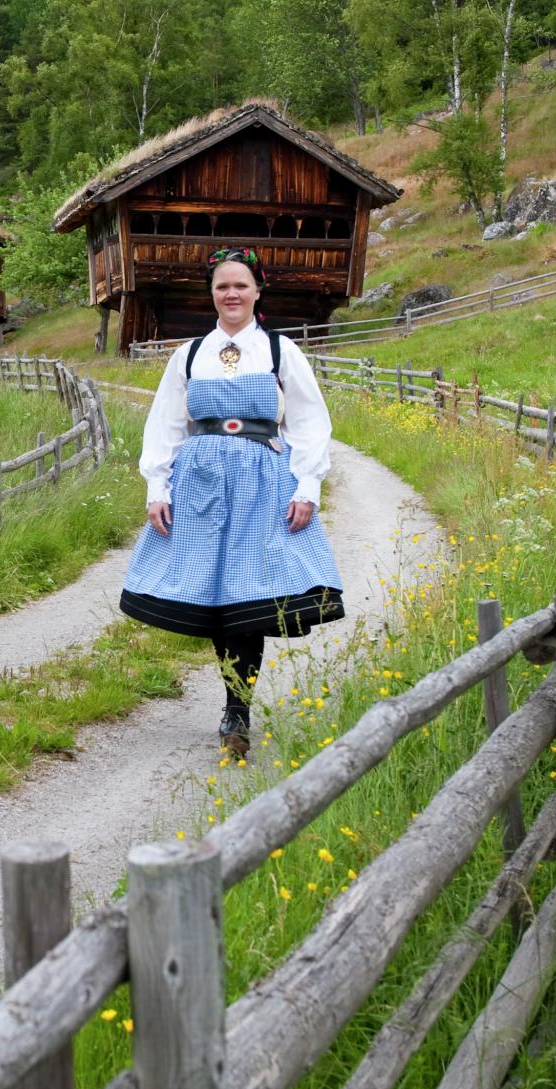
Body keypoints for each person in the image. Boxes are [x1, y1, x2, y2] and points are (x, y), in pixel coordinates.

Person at [118, 248, 345, 757]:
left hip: (263, 484)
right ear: (212, 294)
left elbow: (309, 423)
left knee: (249, 600)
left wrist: (308, 485)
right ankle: (234, 704)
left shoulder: (281, 352)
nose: (232, 294)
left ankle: (236, 712)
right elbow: (166, 424)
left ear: (258, 291)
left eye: (241, 285)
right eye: (222, 286)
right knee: (218, 600)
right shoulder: (191, 354)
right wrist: (158, 487)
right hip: (198, 487)